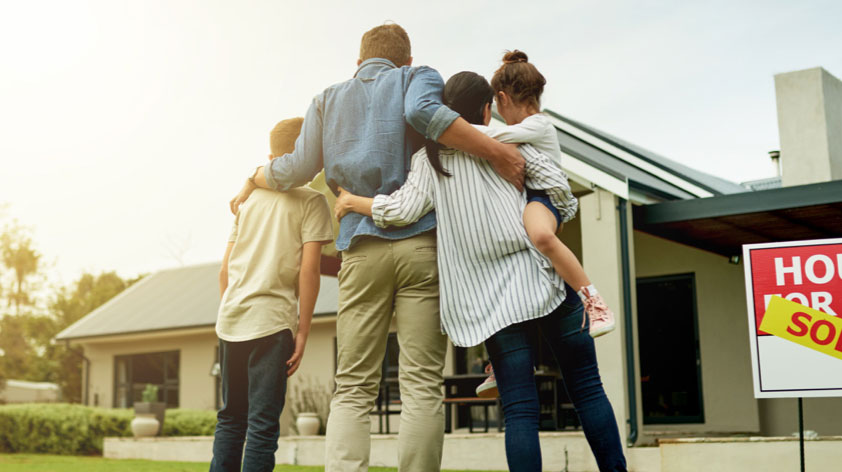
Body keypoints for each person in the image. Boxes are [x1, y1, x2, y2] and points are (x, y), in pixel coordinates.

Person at [227, 24, 526, 472]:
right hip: (421, 246)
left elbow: (295, 169)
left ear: (358, 61)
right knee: (422, 383)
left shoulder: (327, 99)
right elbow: (425, 113)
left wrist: (255, 176)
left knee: (353, 385)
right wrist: (497, 152)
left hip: (361, 250)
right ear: (405, 60)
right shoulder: (417, 77)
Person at [335, 71, 627, 472]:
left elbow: (400, 211)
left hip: (491, 305)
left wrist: (354, 202)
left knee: (520, 409)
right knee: (588, 390)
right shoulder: (504, 146)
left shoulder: (428, 160)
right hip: (541, 280)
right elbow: (560, 191)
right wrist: (541, 212)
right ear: (487, 109)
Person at [475, 50, 616, 398]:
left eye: (497, 105)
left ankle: (593, 300)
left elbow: (491, 140)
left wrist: (450, 128)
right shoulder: (528, 126)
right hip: (527, 203)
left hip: (544, 200)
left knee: (539, 235)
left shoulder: (538, 124)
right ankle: (497, 361)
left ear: (503, 99)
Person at [212, 117, 333, 472]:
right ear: (310, 157)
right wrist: (303, 331)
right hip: (272, 322)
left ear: (271, 155)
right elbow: (308, 272)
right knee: (262, 424)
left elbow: (224, 270)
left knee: (230, 417)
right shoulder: (312, 202)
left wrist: (232, 309)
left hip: (231, 319)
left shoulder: (248, 201)